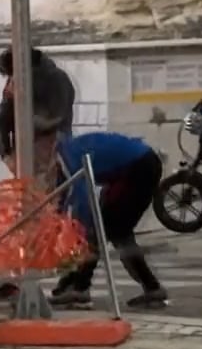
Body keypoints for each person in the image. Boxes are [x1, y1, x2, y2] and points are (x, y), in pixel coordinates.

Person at [0, 47, 76, 301]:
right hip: (28, 156)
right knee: (25, 218)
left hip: (51, 154)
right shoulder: (19, 81)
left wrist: (28, 122)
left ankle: (58, 280)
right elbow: (2, 118)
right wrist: (6, 151)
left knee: (45, 220)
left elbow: (55, 119)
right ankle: (18, 276)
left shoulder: (55, 80)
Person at [49, 130, 169, 310]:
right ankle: (75, 286)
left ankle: (80, 289)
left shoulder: (65, 155)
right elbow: (63, 191)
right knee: (111, 230)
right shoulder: (68, 152)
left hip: (137, 170)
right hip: (138, 166)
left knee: (109, 230)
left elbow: (82, 196)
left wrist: (78, 225)